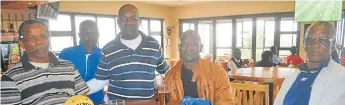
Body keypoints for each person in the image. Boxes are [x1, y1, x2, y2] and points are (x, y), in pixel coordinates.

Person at [86, 4, 169, 105]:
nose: (129, 22)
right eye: (124, 19)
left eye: (133, 18)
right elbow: (99, 81)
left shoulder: (154, 45)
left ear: (139, 21)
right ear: (118, 22)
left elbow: (168, 74)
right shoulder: (108, 49)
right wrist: (74, 91)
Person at [1, 19, 89, 105]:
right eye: (32, 38)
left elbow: (83, 98)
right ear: (22, 43)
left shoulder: (69, 66)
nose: (39, 41)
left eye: (43, 36)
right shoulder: (10, 78)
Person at [274, 22, 345, 105]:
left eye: (323, 40)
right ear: (304, 45)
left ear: (333, 46)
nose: (315, 45)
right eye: (309, 40)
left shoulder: (340, 77)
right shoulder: (294, 76)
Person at [165, 30, 234, 105]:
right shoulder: (170, 76)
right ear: (179, 48)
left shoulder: (218, 73)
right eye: (184, 44)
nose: (189, 48)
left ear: (201, 48)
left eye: (194, 44)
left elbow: (225, 102)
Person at [59, 20, 103, 105]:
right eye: (86, 33)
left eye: (93, 33)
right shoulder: (66, 54)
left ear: (98, 35)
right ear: (80, 35)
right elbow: (60, 79)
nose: (90, 37)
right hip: (71, 102)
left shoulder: (104, 55)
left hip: (97, 102)